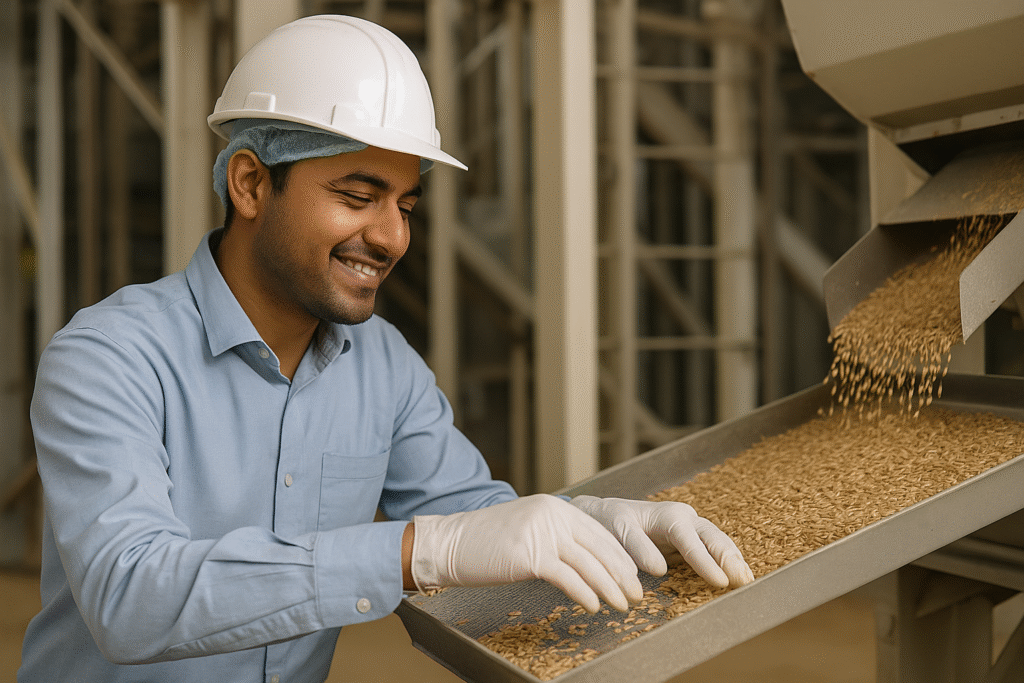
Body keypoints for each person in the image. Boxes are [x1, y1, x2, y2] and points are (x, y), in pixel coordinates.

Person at [18, 15, 753, 683]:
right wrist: (414, 551)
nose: (392, 236)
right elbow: (130, 596)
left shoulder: (385, 366)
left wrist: (602, 524)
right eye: (358, 194)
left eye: (405, 205)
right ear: (250, 183)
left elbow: (479, 525)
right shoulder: (108, 357)